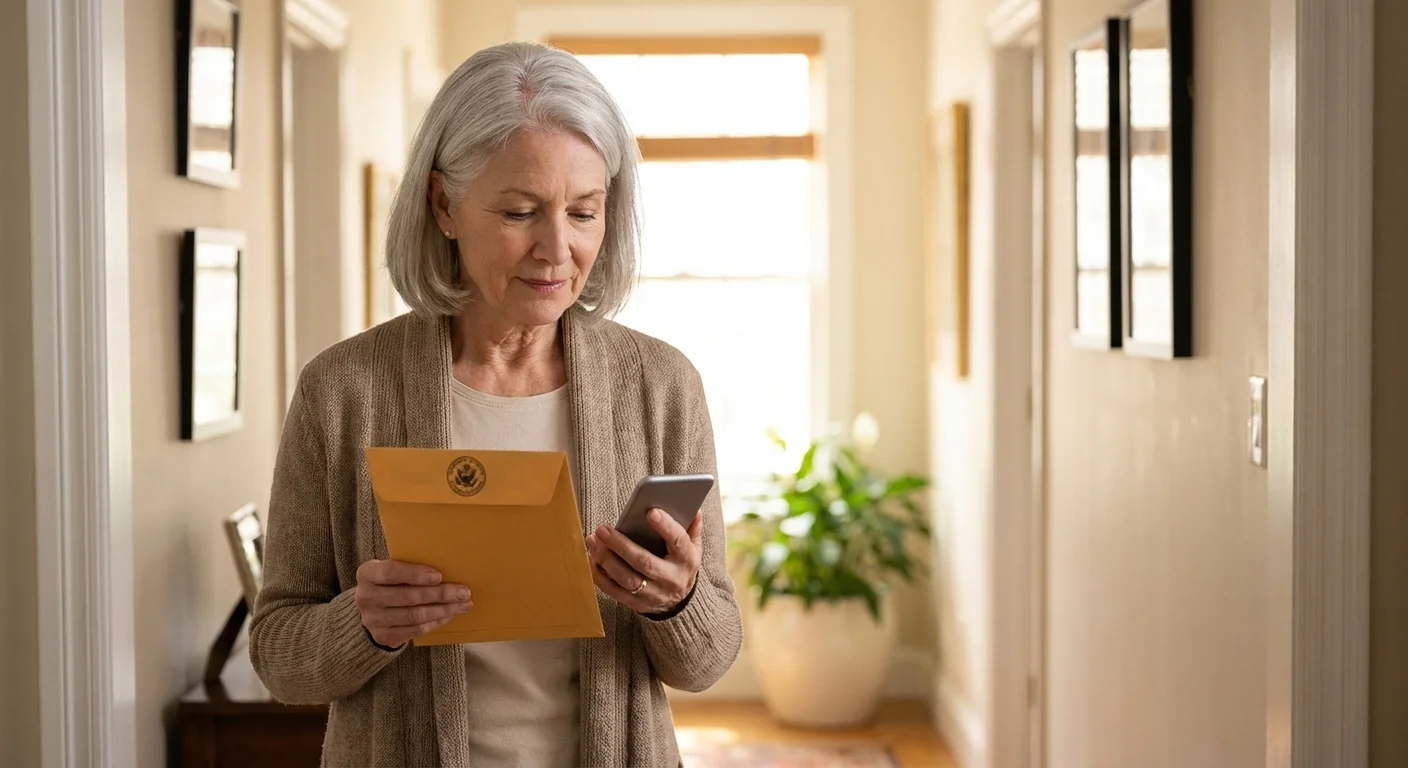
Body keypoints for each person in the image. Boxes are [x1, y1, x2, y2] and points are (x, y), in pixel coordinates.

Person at [249, 41, 743, 767]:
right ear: (442, 205)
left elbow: (711, 656)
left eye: (584, 212)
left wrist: (676, 601)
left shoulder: (661, 386)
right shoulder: (343, 390)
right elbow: (278, 655)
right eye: (519, 212)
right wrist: (364, 624)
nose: (557, 248)